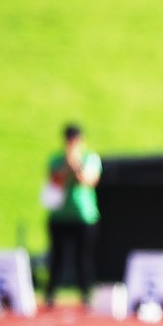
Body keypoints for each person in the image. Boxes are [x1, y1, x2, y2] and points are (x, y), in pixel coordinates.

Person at [44, 122, 102, 309]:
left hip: (84, 216)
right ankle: (50, 293)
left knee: (83, 258)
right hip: (60, 216)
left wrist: (75, 165)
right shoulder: (56, 159)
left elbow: (88, 180)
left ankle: (86, 294)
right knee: (56, 258)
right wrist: (66, 166)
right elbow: (54, 181)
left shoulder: (90, 158)